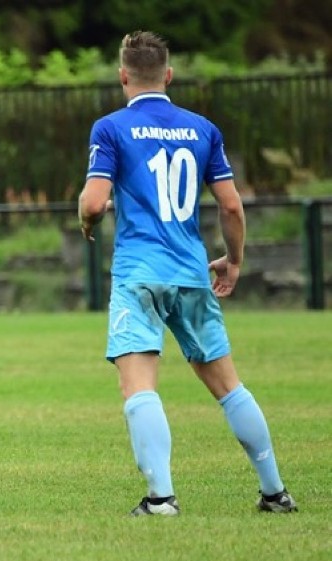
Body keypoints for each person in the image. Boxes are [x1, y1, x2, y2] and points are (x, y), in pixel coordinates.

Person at [78, 30, 297, 515]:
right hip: (191, 271)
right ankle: (275, 492)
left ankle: (161, 499)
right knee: (228, 386)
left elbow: (94, 201)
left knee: (139, 386)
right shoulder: (202, 128)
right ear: (169, 75)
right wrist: (234, 260)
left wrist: (87, 218)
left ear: (123, 76)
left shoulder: (111, 128)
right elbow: (232, 207)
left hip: (139, 275)